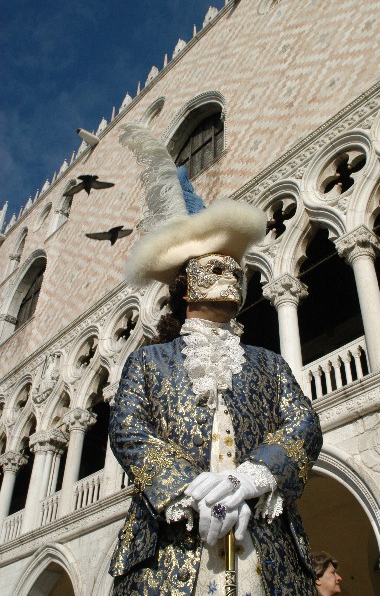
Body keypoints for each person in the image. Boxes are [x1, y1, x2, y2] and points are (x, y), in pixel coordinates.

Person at [108, 124, 323, 595]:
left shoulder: (267, 363)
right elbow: (128, 431)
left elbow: (303, 424)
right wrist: (191, 491)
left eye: (236, 269)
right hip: (169, 549)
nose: (230, 276)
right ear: (184, 284)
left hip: (263, 544)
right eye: (214, 268)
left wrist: (249, 480)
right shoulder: (149, 363)